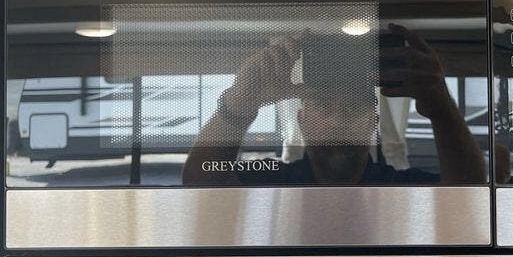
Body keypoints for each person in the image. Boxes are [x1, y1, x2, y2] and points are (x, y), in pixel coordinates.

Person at [182, 23, 485, 186]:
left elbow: (466, 192)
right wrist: (239, 102)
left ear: (374, 123)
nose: (338, 120)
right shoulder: (273, 180)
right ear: (301, 121)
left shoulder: (397, 184)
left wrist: (441, 106)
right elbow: (200, 182)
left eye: (353, 108)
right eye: (323, 106)